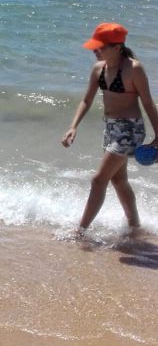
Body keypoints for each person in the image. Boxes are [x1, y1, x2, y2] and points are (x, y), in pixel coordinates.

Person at [61, 23, 158, 234]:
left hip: (130, 130)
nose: (95, 51)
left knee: (98, 180)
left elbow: (148, 103)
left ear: (117, 47)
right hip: (111, 128)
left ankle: (81, 231)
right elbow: (86, 100)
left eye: (100, 47)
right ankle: (135, 226)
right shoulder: (99, 69)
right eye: (95, 47)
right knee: (118, 179)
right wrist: (73, 126)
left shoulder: (134, 69)